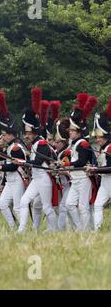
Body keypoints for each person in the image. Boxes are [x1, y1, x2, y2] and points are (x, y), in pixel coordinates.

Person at [17, 87, 57, 233]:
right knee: (24, 201)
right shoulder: (34, 144)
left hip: (44, 178)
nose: (26, 136)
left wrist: (21, 162)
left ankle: (53, 229)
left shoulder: (41, 144)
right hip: (36, 178)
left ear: (34, 131)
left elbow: (38, 163)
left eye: (28, 133)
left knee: (46, 207)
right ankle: (22, 229)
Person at [0, 91, 27, 229]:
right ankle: (13, 227)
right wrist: (0, 147)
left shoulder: (16, 147)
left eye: (4, 135)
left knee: (18, 208)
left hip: (17, 179)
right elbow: (1, 158)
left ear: (10, 134)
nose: (3, 137)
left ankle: (22, 230)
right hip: (10, 180)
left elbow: (13, 166)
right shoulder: (11, 146)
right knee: (2, 203)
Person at [62, 93, 97, 231]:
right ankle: (79, 229)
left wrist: (68, 165)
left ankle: (87, 231)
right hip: (75, 179)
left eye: (71, 130)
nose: (69, 132)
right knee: (69, 204)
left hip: (83, 178)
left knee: (83, 207)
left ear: (77, 131)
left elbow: (82, 162)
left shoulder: (83, 144)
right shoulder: (74, 143)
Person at [87, 97, 111, 231]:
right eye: (97, 137)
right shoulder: (104, 148)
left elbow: (108, 168)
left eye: (100, 137)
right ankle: (97, 231)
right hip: (105, 183)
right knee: (97, 205)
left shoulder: (110, 148)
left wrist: (95, 169)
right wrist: (94, 170)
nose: (98, 139)